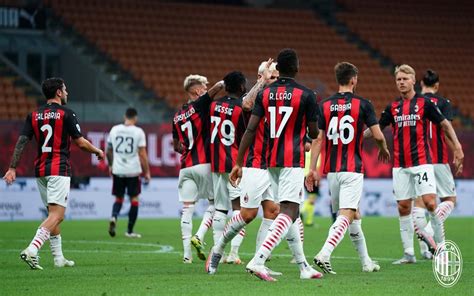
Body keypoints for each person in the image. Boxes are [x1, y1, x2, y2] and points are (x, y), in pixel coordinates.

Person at [227, 48, 322, 281]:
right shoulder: (308, 95)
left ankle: (303, 267)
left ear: (277, 69)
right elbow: (312, 131)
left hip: (269, 160)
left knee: (291, 210)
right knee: (289, 210)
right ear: (297, 68)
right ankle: (258, 260)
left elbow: (250, 128)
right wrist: (306, 130)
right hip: (292, 158)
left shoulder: (266, 93)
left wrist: (238, 162)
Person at [3, 77, 104, 270]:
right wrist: (97, 151)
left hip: (40, 170)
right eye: (65, 90)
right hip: (59, 168)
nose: (67, 93)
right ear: (58, 92)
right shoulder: (67, 113)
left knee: (52, 215)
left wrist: (12, 167)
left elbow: (21, 142)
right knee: (57, 215)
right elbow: (81, 142)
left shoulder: (33, 114)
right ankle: (32, 249)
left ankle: (58, 258)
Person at [366, 65, 463, 264]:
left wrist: (458, 146)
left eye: (404, 78)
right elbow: (377, 129)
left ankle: (442, 248)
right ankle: (409, 253)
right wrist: (357, 136)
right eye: (398, 79)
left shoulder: (424, 103)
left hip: (421, 162)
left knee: (430, 203)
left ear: (413, 81)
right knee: (403, 207)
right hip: (400, 165)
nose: (401, 82)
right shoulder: (392, 107)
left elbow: (445, 124)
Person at [305, 62, 389, 274]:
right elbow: (378, 135)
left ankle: (366, 262)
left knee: (354, 215)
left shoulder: (324, 105)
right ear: (353, 80)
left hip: (332, 171)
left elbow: (317, 140)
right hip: (352, 169)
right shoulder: (363, 104)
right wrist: (383, 147)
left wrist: (312, 169)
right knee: (347, 214)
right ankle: (324, 253)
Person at [172, 75, 225, 263]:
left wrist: (187, 147)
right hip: (204, 163)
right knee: (216, 203)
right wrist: (222, 83)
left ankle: (187, 256)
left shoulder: (177, 115)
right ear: (196, 91)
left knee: (187, 209)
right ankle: (202, 237)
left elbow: (176, 145)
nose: (205, 89)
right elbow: (213, 92)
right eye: (203, 87)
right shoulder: (200, 105)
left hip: (186, 166)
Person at [413, 69, 459, 259]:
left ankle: (425, 250)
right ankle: (431, 229)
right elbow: (446, 129)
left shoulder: (413, 103)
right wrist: (457, 150)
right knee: (449, 199)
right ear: (437, 85)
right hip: (438, 158)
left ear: (421, 83)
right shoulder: (443, 103)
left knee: (420, 203)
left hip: (418, 159)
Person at [106, 107, 150, 238]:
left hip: (118, 169)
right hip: (133, 170)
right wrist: (147, 172)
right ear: (135, 118)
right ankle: (129, 231)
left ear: (124, 116)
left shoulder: (114, 129)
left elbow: (108, 150)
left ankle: (114, 217)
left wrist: (110, 165)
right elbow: (142, 154)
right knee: (134, 199)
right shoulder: (138, 132)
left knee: (119, 198)